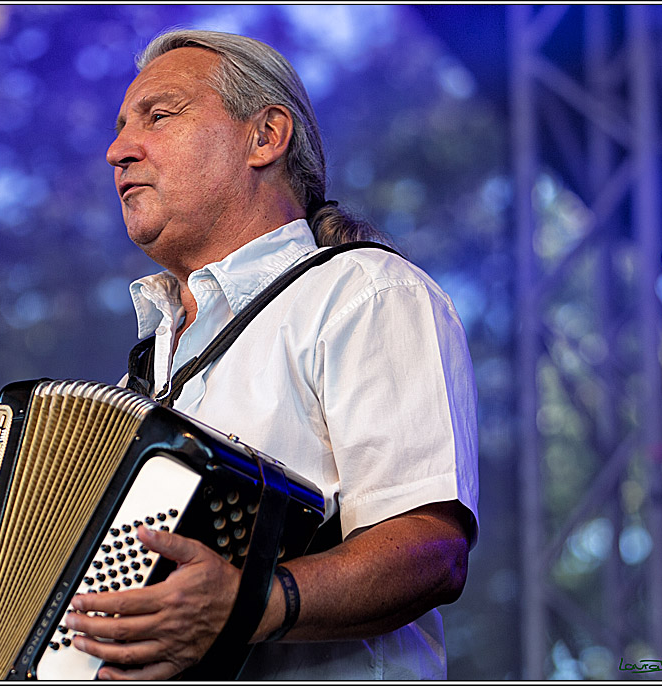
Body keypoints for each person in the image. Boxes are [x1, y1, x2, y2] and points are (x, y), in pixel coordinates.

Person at [62, 29, 480, 680]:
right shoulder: (137, 381)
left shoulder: (363, 293)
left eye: (159, 116)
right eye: (120, 129)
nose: (118, 151)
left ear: (265, 136)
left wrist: (249, 604)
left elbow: (430, 550)